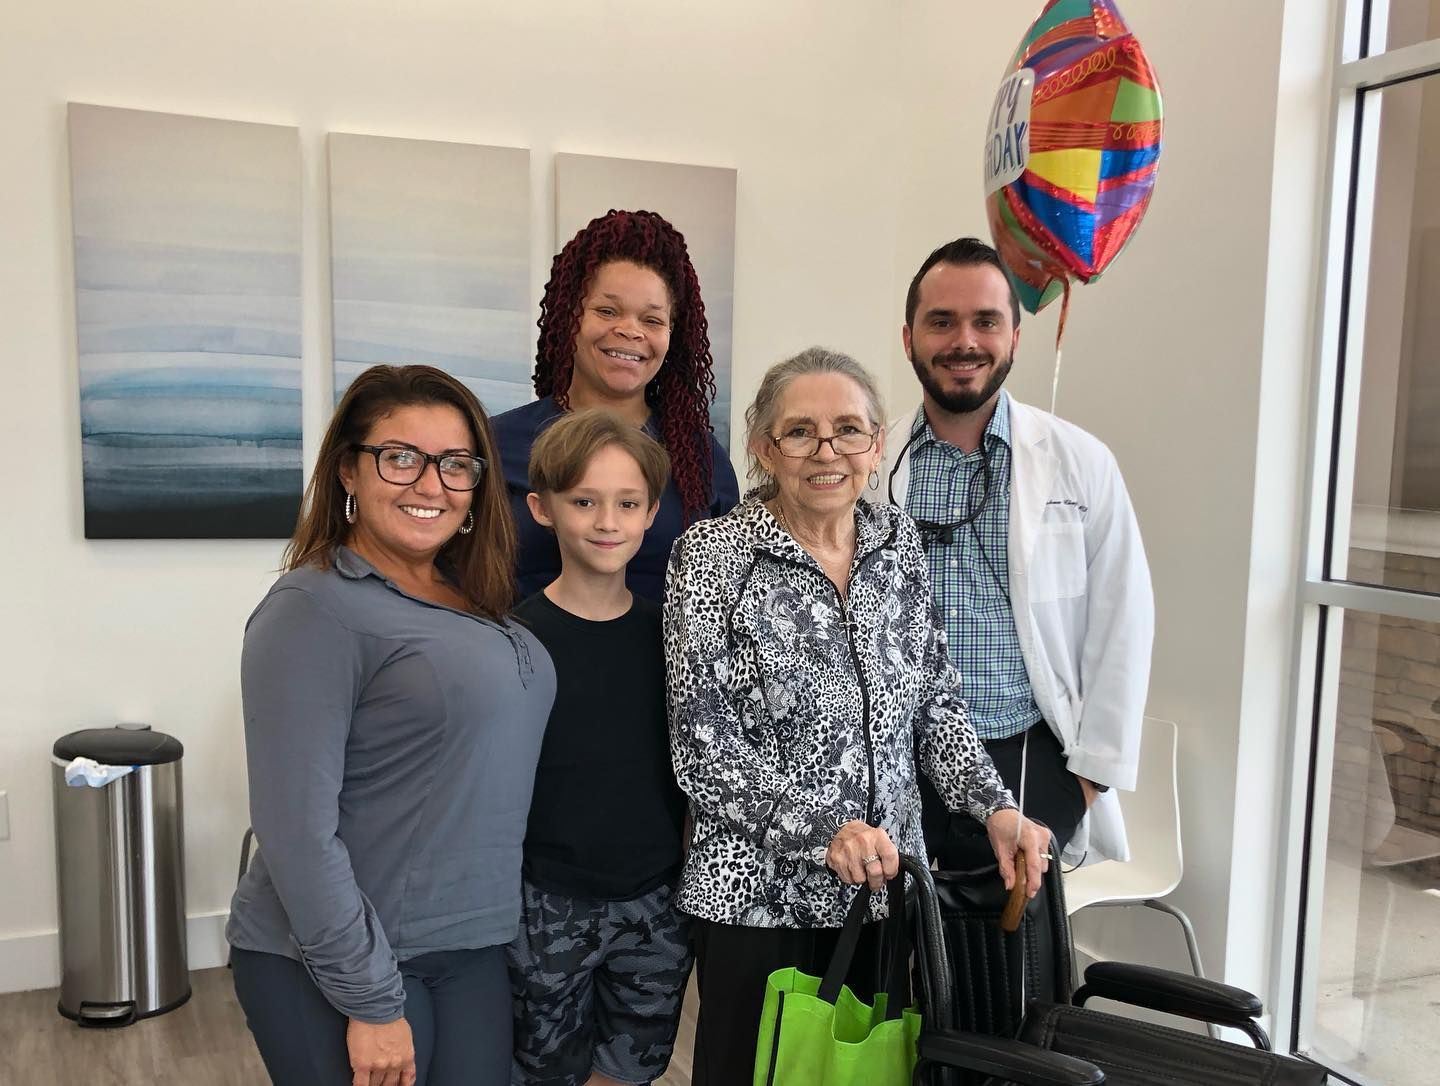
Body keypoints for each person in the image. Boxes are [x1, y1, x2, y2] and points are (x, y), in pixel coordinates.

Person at [664, 347, 1050, 1085]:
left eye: (848, 430)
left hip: (881, 893)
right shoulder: (711, 556)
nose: (826, 450)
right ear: (763, 447)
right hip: (757, 899)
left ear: (877, 445)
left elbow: (935, 699)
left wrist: (993, 807)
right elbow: (701, 748)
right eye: (800, 431)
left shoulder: (896, 542)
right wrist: (824, 832)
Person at [227, 364, 556, 1086]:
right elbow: (294, 832)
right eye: (400, 457)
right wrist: (370, 999)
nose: (430, 484)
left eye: (455, 464)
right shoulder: (313, 608)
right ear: (350, 470)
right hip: (339, 956)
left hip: (470, 946)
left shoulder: (476, 598)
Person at [881, 237, 1154, 870]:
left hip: (1032, 759)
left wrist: (1084, 785)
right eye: (941, 321)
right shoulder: (871, 464)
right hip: (898, 764)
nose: (964, 341)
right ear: (908, 337)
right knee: (898, 961)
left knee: (1012, 966)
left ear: (1014, 337)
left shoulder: (1079, 463)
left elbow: (1125, 622)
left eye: (986, 321)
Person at [507, 408, 691, 1086]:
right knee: (543, 1070)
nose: (607, 521)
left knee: (630, 1069)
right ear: (543, 508)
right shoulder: (512, 643)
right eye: (584, 501)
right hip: (544, 903)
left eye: (627, 503)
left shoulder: (673, 636)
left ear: (650, 514)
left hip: (655, 903)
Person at [493, 209, 739, 603]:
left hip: (665, 665)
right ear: (569, 316)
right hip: (522, 660)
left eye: (653, 319)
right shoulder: (497, 444)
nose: (630, 330)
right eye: (607, 311)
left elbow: (730, 592)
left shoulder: (701, 459)